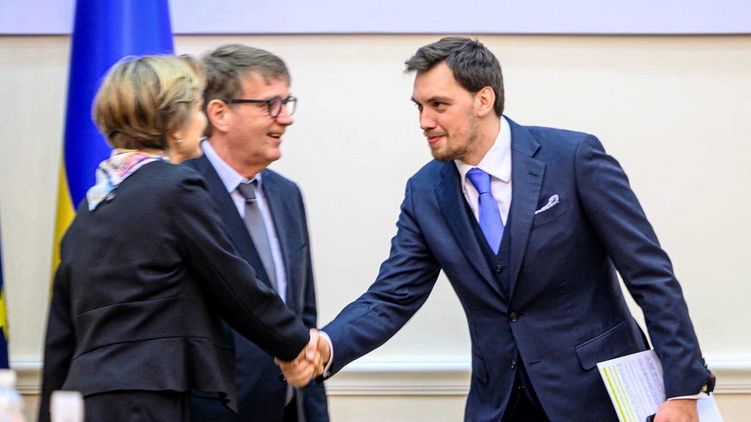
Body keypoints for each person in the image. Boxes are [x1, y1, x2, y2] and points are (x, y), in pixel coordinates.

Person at [280, 37, 714, 421]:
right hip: (499, 403)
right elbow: (392, 296)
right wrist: (328, 345)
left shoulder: (573, 158)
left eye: (439, 105)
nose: (424, 121)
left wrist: (682, 390)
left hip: (596, 396)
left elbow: (650, 275)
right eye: (419, 107)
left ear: (483, 99)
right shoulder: (425, 192)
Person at [40, 55, 322, 422]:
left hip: (91, 400)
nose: (202, 120)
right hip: (151, 399)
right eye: (195, 108)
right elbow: (234, 284)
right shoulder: (177, 188)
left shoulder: (91, 209)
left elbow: (61, 334)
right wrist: (299, 344)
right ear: (175, 124)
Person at [185, 44, 329, 422]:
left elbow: (304, 315)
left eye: (287, 103)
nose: (286, 118)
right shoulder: (180, 193)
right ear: (220, 113)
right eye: (270, 105)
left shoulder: (286, 194)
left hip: (289, 408)